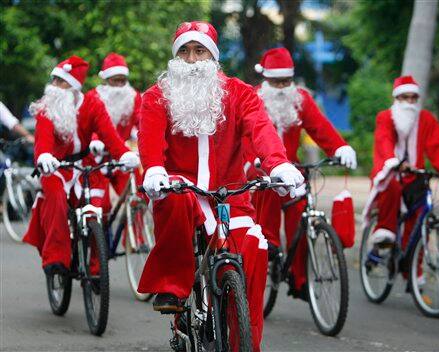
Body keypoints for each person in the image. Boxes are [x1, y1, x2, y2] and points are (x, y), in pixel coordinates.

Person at [137, 22, 303, 351]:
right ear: (175, 57)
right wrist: (154, 168)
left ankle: (244, 342)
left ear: (213, 57)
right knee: (175, 198)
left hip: (228, 196)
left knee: (254, 247)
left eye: (200, 51)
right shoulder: (157, 97)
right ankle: (172, 287)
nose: (192, 59)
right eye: (184, 51)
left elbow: (261, 128)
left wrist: (279, 163)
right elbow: (150, 138)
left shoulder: (239, 93)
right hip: (180, 189)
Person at [244, 47, 357, 299]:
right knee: (268, 189)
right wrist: (251, 162)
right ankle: (270, 243)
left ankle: (299, 277)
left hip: (293, 170)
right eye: (276, 81)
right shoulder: (252, 98)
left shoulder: (301, 99)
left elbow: (319, 127)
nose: (283, 87)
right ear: (266, 79)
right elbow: (243, 136)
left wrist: (339, 147)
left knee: (301, 215)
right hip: (259, 167)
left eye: (286, 81)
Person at [23, 55, 139, 276]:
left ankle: (97, 267)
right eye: (54, 80)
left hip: (85, 164)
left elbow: (109, 135)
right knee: (55, 199)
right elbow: (43, 139)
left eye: (61, 81)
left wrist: (124, 154)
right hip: (55, 167)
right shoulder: (46, 107)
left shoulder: (92, 104)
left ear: (74, 86)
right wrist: (45, 156)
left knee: (101, 206)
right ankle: (56, 259)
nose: (54, 86)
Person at [362, 76, 439, 250]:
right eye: (405, 97)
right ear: (397, 98)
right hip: (391, 173)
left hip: (415, 175)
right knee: (390, 187)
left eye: (414, 97)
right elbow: (383, 140)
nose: (410, 102)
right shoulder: (386, 117)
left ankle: (413, 267)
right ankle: (384, 233)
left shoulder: (425, 119)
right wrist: (393, 163)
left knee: (420, 215)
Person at [86, 53, 142, 214]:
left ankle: (136, 236)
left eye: (122, 80)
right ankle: (100, 236)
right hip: (97, 157)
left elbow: (142, 123)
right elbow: (86, 126)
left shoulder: (134, 97)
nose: (119, 85)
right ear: (106, 80)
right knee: (101, 206)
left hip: (123, 156)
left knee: (138, 195)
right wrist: (93, 140)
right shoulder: (92, 97)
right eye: (114, 80)